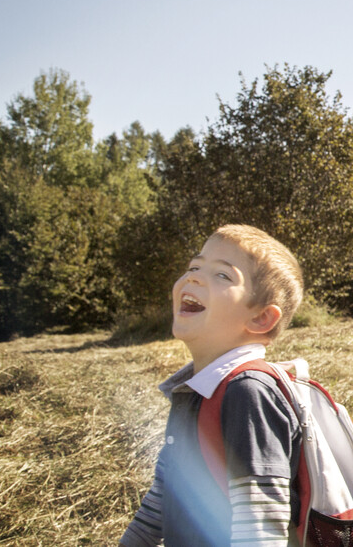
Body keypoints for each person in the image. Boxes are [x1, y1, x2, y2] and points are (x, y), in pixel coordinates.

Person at [120, 224, 306, 546]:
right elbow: (165, 493)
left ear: (261, 319)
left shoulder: (248, 392)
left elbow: (261, 526)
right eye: (194, 266)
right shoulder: (193, 390)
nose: (192, 277)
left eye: (223, 275)